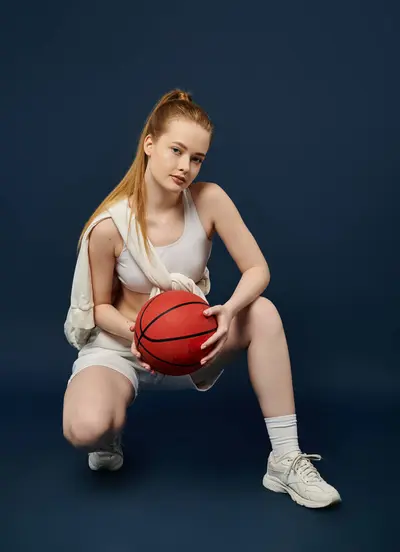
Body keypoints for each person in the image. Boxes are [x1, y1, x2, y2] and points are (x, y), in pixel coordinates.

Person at [62, 89, 341, 509]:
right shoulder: (110, 225)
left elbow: (257, 270)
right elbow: (100, 308)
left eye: (196, 158)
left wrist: (228, 310)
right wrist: (137, 333)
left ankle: (285, 458)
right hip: (123, 347)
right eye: (176, 150)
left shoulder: (209, 200)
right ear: (149, 144)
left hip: (193, 343)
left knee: (261, 311)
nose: (185, 167)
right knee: (85, 429)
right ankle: (109, 430)